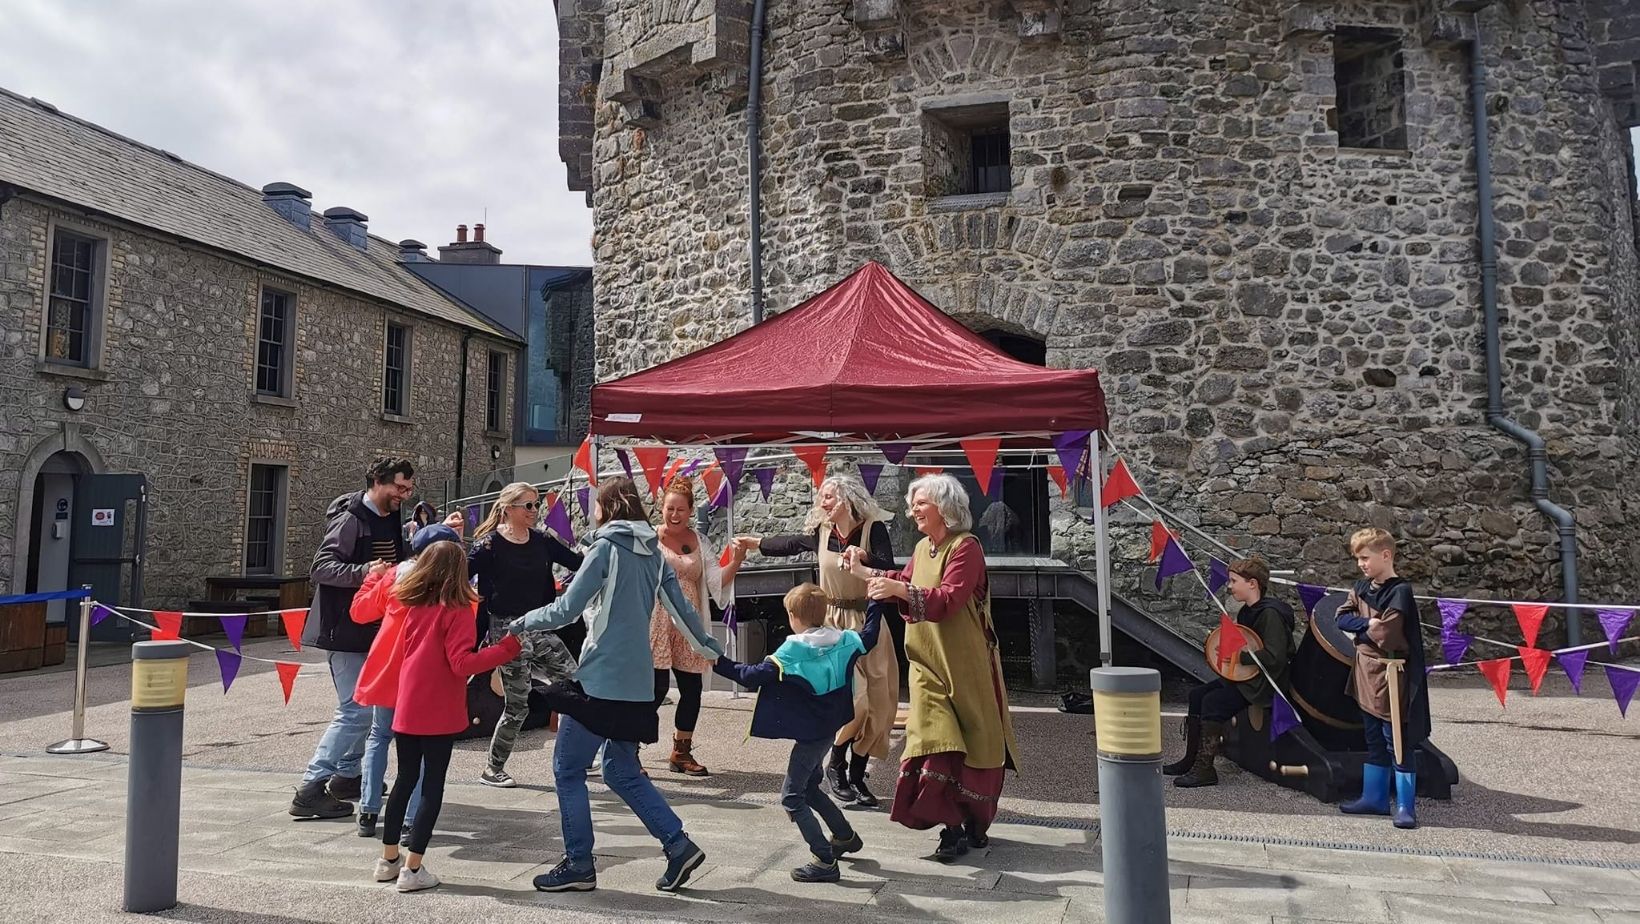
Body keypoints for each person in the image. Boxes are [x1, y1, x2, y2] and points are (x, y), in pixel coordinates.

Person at [510, 477, 725, 894]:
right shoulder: (656, 555)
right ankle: (678, 846)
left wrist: (522, 622)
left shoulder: (605, 548)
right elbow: (685, 615)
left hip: (600, 680)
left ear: (606, 508)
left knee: (568, 768)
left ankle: (578, 864)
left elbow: (566, 609)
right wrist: (712, 648)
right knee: (620, 770)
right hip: (639, 684)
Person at [843, 472, 1019, 863]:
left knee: (974, 747)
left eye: (919, 503)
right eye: (913, 504)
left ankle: (971, 824)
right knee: (932, 744)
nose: (912, 510)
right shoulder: (924, 549)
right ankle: (951, 830)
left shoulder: (966, 548)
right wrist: (864, 572)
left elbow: (948, 600)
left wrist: (897, 588)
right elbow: (902, 583)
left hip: (966, 666)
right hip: (926, 666)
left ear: (944, 506)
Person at [736, 473, 898, 808]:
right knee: (856, 701)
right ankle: (836, 766)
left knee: (881, 707)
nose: (821, 503)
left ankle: (857, 775)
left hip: (869, 622)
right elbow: (792, 544)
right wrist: (757, 544)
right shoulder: (821, 533)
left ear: (845, 498)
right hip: (835, 628)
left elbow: (889, 569)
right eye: (821, 497)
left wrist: (864, 559)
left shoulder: (872, 529)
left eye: (827, 496)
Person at [372, 540, 522, 892]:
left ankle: (388, 859)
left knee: (404, 780)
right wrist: (505, 650)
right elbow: (462, 664)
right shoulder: (457, 611)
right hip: (438, 708)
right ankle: (413, 868)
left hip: (408, 703)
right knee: (431, 786)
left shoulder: (413, 606)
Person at [711, 584, 875, 883]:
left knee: (791, 796)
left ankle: (825, 860)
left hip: (811, 734)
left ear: (792, 615)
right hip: (830, 727)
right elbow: (871, 635)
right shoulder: (844, 640)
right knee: (810, 787)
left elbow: (752, 675)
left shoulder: (793, 650)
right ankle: (844, 836)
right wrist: (876, 599)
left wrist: (717, 662)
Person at [290, 456, 416, 820]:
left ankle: (347, 777)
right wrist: (364, 572)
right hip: (343, 630)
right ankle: (310, 789)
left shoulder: (391, 516)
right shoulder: (349, 519)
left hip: (374, 629)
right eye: (399, 488)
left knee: (366, 705)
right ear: (377, 481)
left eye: (409, 489)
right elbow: (320, 568)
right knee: (356, 711)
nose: (404, 496)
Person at [349, 526, 465, 840]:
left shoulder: (396, 577)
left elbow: (359, 612)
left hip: (389, 670)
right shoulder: (450, 591)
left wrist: (372, 577)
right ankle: (411, 821)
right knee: (425, 749)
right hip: (425, 677)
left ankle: (369, 811)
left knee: (379, 736)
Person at [467, 482, 583, 788]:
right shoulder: (488, 545)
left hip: (539, 626)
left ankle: (580, 754)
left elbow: (578, 564)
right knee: (517, 704)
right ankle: (493, 768)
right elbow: (459, 577)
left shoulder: (543, 540)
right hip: (506, 633)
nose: (534, 511)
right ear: (509, 508)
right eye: (528, 505)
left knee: (576, 683)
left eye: (536, 504)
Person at [1165, 557, 1295, 788]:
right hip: (1247, 677)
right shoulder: (1248, 612)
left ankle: (1205, 769)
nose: (1229, 586)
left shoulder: (1269, 615)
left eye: (1234, 581)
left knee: (1214, 703)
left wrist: (1240, 656)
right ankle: (1191, 760)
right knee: (1197, 695)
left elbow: (1276, 658)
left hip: (1263, 684)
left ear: (1252, 583)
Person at [1335, 527, 1430, 830]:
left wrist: (1363, 629)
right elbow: (1341, 616)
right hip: (1365, 671)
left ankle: (1404, 805)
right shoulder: (1361, 587)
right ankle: (1374, 798)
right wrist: (1367, 623)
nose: (1361, 564)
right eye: (1358, 559)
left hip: (1391, 675)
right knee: (1373, 737)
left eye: (1365, 557)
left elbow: (1387, 635)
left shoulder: (1399, 591)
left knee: (1396, 741)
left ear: (1385, 555)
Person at [651, 476, 744, 776]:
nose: (674, 515)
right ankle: (628, 750)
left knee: (692, 688)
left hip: (689, 623)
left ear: (691, 511)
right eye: (669, 509)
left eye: (680, 510)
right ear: (661, 509)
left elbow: (717, 582)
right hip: (658, 618)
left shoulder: (700, 542)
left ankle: (681, 751)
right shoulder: (649, 539)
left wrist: (739, 558)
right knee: (654, 688)